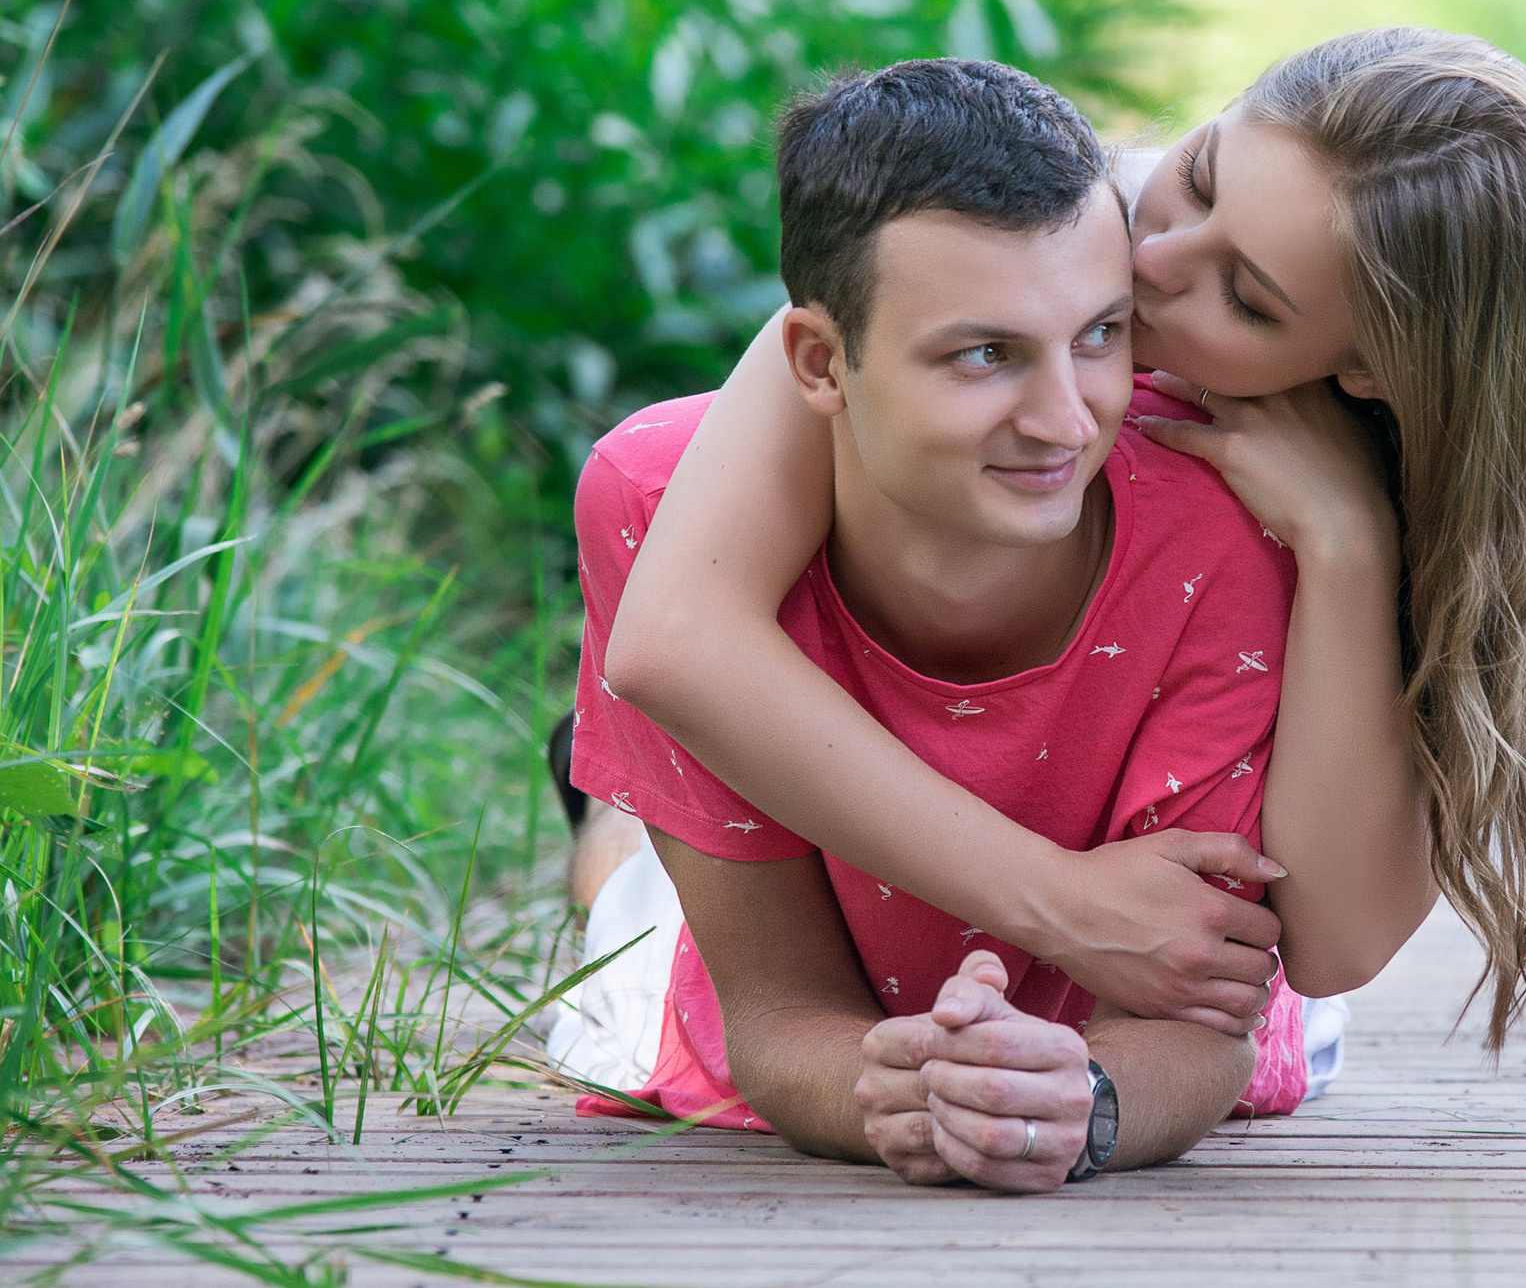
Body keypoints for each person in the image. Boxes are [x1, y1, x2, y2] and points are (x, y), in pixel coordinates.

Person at [594, 27, 1526, 1054]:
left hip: (1136, 880)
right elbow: (672, 635)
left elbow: (1331, 945)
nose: (1152, 256)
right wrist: (1061, 903)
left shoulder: (1352, 492)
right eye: (1201, 177)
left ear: (1367, 372)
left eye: (1246, 300)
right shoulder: (1032, 225)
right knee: (643, 908)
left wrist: (1347, 545)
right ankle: (611, 814)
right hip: (857, 752)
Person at [560, 60, 1332, 1190]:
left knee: (639, 862)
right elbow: (775, 1014)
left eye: (1102, 333)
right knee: (625, 915)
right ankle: (610, 815)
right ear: (820, 363)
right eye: (984, 354)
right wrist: (900, 1096)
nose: (1067, 421)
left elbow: (1196, 1020)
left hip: (1136, 999)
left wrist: (1085, 1107)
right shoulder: (656, 503)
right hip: (794, 934)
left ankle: (616, 803)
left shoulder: (1223, 522)